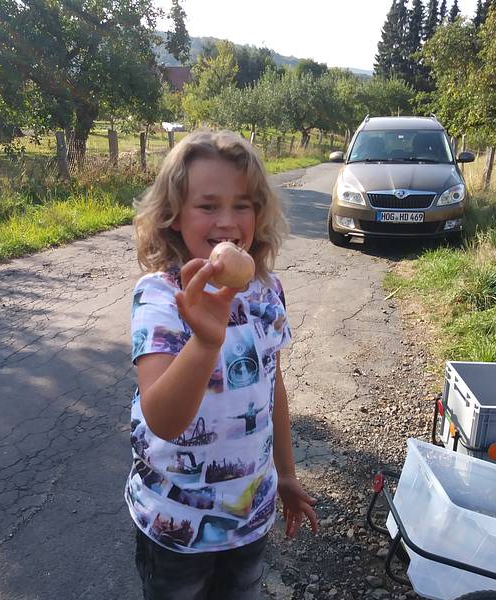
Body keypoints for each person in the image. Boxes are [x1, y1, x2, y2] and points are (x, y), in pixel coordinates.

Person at [127, 130, 318, 600]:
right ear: (173, 215)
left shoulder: (266, 291)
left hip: (250, 516)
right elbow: (162, 420)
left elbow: (272, 386)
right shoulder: (161, 296)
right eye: (208, 206)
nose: (228, 222)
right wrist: (206, 341)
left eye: (242, 205)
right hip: (175, 527)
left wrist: (286, 474)